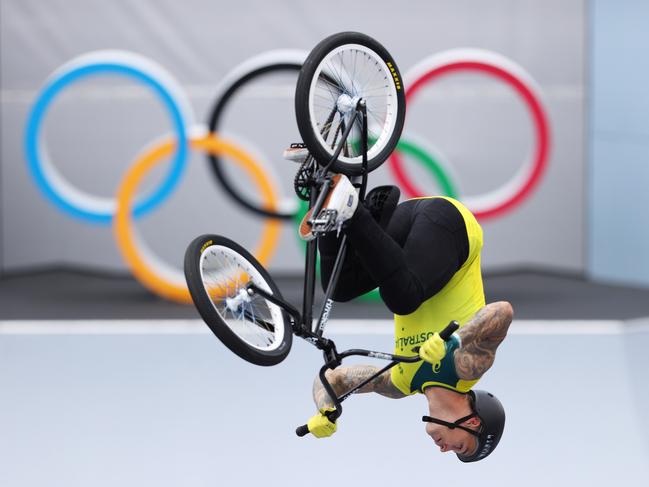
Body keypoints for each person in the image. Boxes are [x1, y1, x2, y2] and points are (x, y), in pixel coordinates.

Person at [292, 162, 513, 462]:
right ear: (473, 422)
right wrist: (453, 341)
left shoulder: (401, 384)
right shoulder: (466, 370)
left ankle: (327, 176)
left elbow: (336, 378)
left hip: (405, 234)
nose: (444, 449)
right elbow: (501, 312)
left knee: (340, 286)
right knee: (403, 298)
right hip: (451, 226)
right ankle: (353, 209)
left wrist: (325, 407)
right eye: (459, 446)